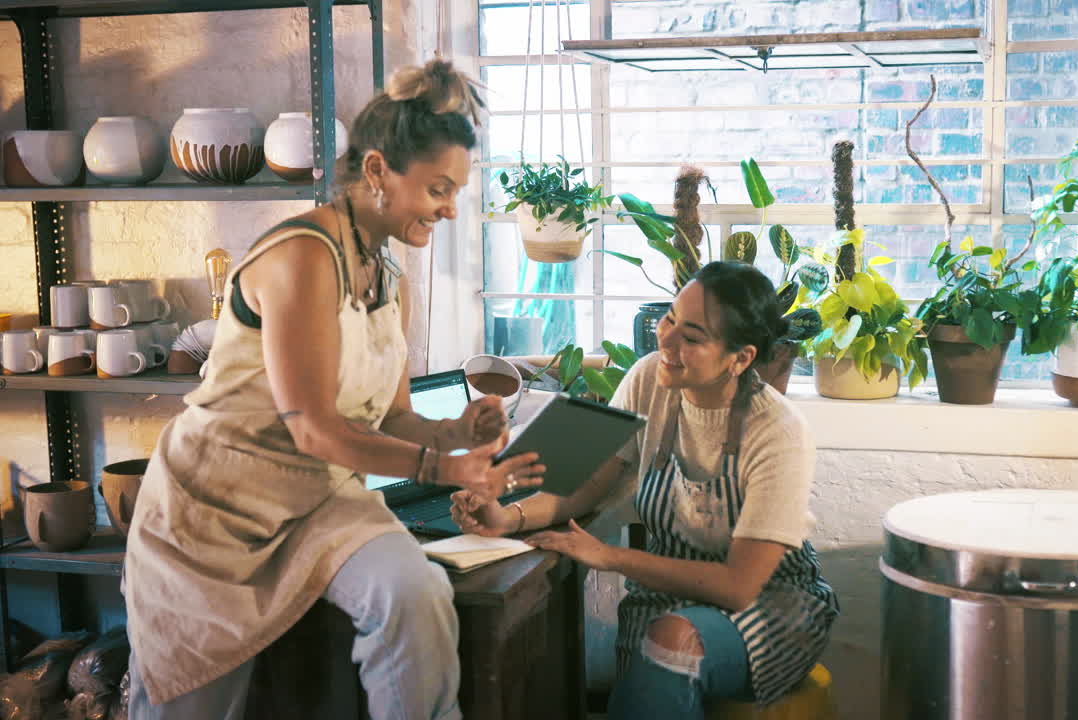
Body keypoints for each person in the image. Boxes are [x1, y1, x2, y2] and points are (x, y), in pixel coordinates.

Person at [123, 59, 545, 720]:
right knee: (190, 702)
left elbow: (396, 418)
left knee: (416, 597)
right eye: (438, 187)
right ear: (377, 171)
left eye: (457, 190)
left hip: (318, 501)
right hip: (214, 516)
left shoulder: (388, 276)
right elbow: (314, 427)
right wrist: (443, 466)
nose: (450, 208)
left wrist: (460, 433)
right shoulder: (301, 259)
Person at [451, 261, 839, 718]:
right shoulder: (648, 378)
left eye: (692, 337)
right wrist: (506, 516)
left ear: (741, 358)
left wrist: (610, 557)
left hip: (771, 607)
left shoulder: (778, 431)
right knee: (661, 634)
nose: (667, 340)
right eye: (671, 318)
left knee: (673, 637)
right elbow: (584, 486)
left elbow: (738, 586)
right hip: (667, 597)